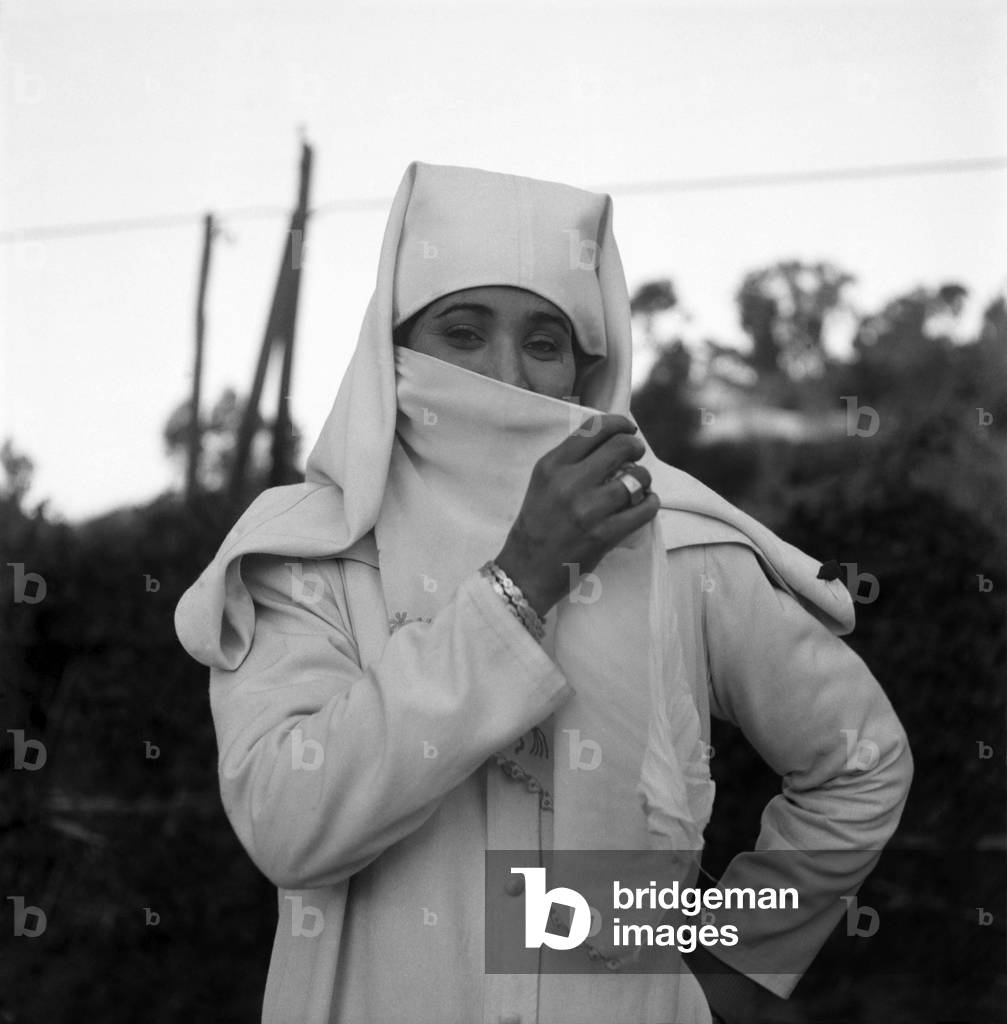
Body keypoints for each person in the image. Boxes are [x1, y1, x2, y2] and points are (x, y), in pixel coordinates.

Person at [174, 161, 913, 1024]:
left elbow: (859, 761)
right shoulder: (311, 552)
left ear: (582, 376)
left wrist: (742, 964)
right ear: (396, 354)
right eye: (462, 331)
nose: (507, 377)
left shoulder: (676, 548)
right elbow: (290, 824)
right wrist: (521, 583)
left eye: (542, 342)